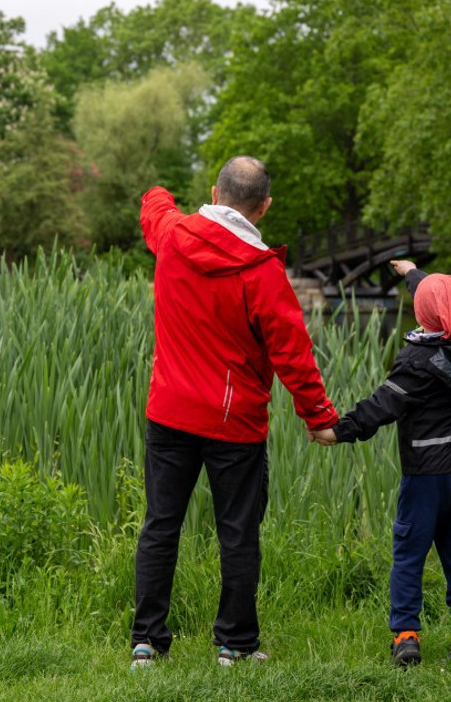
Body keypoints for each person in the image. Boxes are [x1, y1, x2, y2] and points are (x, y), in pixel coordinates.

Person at [131, 156, 339, 669]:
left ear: (213, 192)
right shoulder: (262, 271)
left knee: (161, 526)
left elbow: (155, 206)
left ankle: (147, 642)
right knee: (238, 534)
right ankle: (235, 645)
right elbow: (293, 353)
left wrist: (157, 190)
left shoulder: (173, 235)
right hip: (234, 423)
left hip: (170, 412)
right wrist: (318, 417)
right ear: (264, 207)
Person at [310, 259, 451, 668]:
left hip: (426, 475)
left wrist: (338, 431)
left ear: (425, 314)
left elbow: (381, 406)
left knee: (409, 553)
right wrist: (412, 274)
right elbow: (443, 303)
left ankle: (406, 636)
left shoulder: (416, 362)